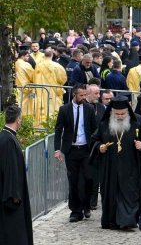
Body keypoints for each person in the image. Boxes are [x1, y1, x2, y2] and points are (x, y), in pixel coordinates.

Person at [90, 97, 141, 230]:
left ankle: (127, 222)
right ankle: (111, 221)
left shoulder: (137, 123)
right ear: (112, 112)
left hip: (130, 167)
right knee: (110, 194)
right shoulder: (104, 123)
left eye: (122, 114)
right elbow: (94, 140)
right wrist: (100, 147)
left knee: (129, 194)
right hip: (110, 167)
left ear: (127, 112)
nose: (119, 116)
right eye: (116, 114)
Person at [53, 83, 97, 222]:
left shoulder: (89, 108)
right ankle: (75, 210)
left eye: (85, 95)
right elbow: (58, 129)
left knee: (89, 178)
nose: (83, 97)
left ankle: (87, 205)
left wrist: (96, 146)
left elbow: (94, 129)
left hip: (86, 149)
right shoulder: (64, 109)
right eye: (81, 95)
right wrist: (57, 149)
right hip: (71, 149)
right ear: (74, 94)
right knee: (73, 181)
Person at [0, 105, 33, 245]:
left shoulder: (6, 137)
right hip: (11, 197)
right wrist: (14, 195)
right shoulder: (9, 140)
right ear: (18, 119)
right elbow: (11, 170)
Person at [33, 47, 67, 124]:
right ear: (52, 55)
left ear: (44, 55)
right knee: (53, 109)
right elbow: (63, 79)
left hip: (40, 91)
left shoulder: (38, 66)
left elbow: (34, 78)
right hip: (53, 92)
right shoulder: (57, 66)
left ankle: (40, 126)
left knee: (42, 108)